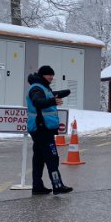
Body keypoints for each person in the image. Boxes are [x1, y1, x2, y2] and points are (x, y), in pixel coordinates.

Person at [27, 65, 73, 195]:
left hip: (40, 128)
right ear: (42, 76)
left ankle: (37, 187)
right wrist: (53, 101)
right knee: (52, 157)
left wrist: (64, 92)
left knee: (39, 158)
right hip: (42, 128)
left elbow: (49, 96)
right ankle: (57, 185)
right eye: (49, 75)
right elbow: (38, 102)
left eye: (52, 75)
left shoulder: (42, 87)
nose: (51, 77)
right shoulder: (36, 88)